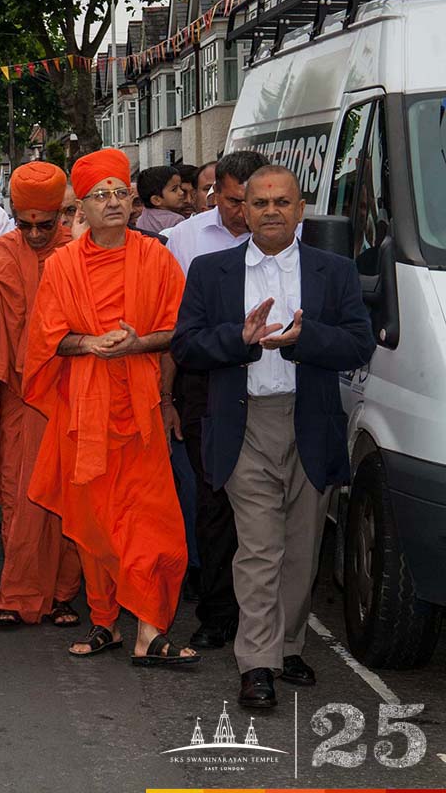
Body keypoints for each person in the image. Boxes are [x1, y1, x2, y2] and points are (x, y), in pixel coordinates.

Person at [172, 165, 375, 708]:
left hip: (309, 421)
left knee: (301, 550)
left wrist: (302, 340)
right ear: (242, 208)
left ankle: (287, 648)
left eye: (281, 202)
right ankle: (256, 664)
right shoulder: (211, 271)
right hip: (244, 423)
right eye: (259, 202)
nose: (269, 211)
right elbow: (186, 348)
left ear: (300, 208)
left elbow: (358, 346)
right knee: (259, 548)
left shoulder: (333, 271)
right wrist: (239, 339)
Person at [22, 148, 198, 666]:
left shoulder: (156, 258)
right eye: (101, 195)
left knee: (153, 525)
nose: (114, 202)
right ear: (82, 208)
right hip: (85, 415)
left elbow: (177, 333)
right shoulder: (62, 266)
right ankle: (106, 622)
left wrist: (137, 345)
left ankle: (149, 629)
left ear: (133, 202)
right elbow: (49, 340)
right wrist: (91, 344)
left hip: (141, 413)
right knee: (95, 527)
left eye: (121, 193)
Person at [163, 150, 269, 650]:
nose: (243, 213)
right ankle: (217, 612)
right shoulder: (185, 241)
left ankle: (268, 622)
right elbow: (177, 333)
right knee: (214, 502)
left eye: (252, 202)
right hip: (206, 385)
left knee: (273, 512)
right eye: (232, 202)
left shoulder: (291, 241)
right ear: (216, 193)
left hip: (276, 387)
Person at [0, 161, 83, 628]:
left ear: (60, 217)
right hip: (22, 395)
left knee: (68, 496)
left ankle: (64, 593)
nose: (35, 234)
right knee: (23, 498)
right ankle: (18, 593)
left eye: (45, 225)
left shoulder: (79, 251)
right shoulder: (3, 249)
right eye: (25, 225)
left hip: (70, 392)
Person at [134, 165, 189, 233]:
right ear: (156, 200)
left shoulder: (140, 219)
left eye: (180, 187)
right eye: (174, 189)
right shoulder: (176, 220)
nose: (181, 192)